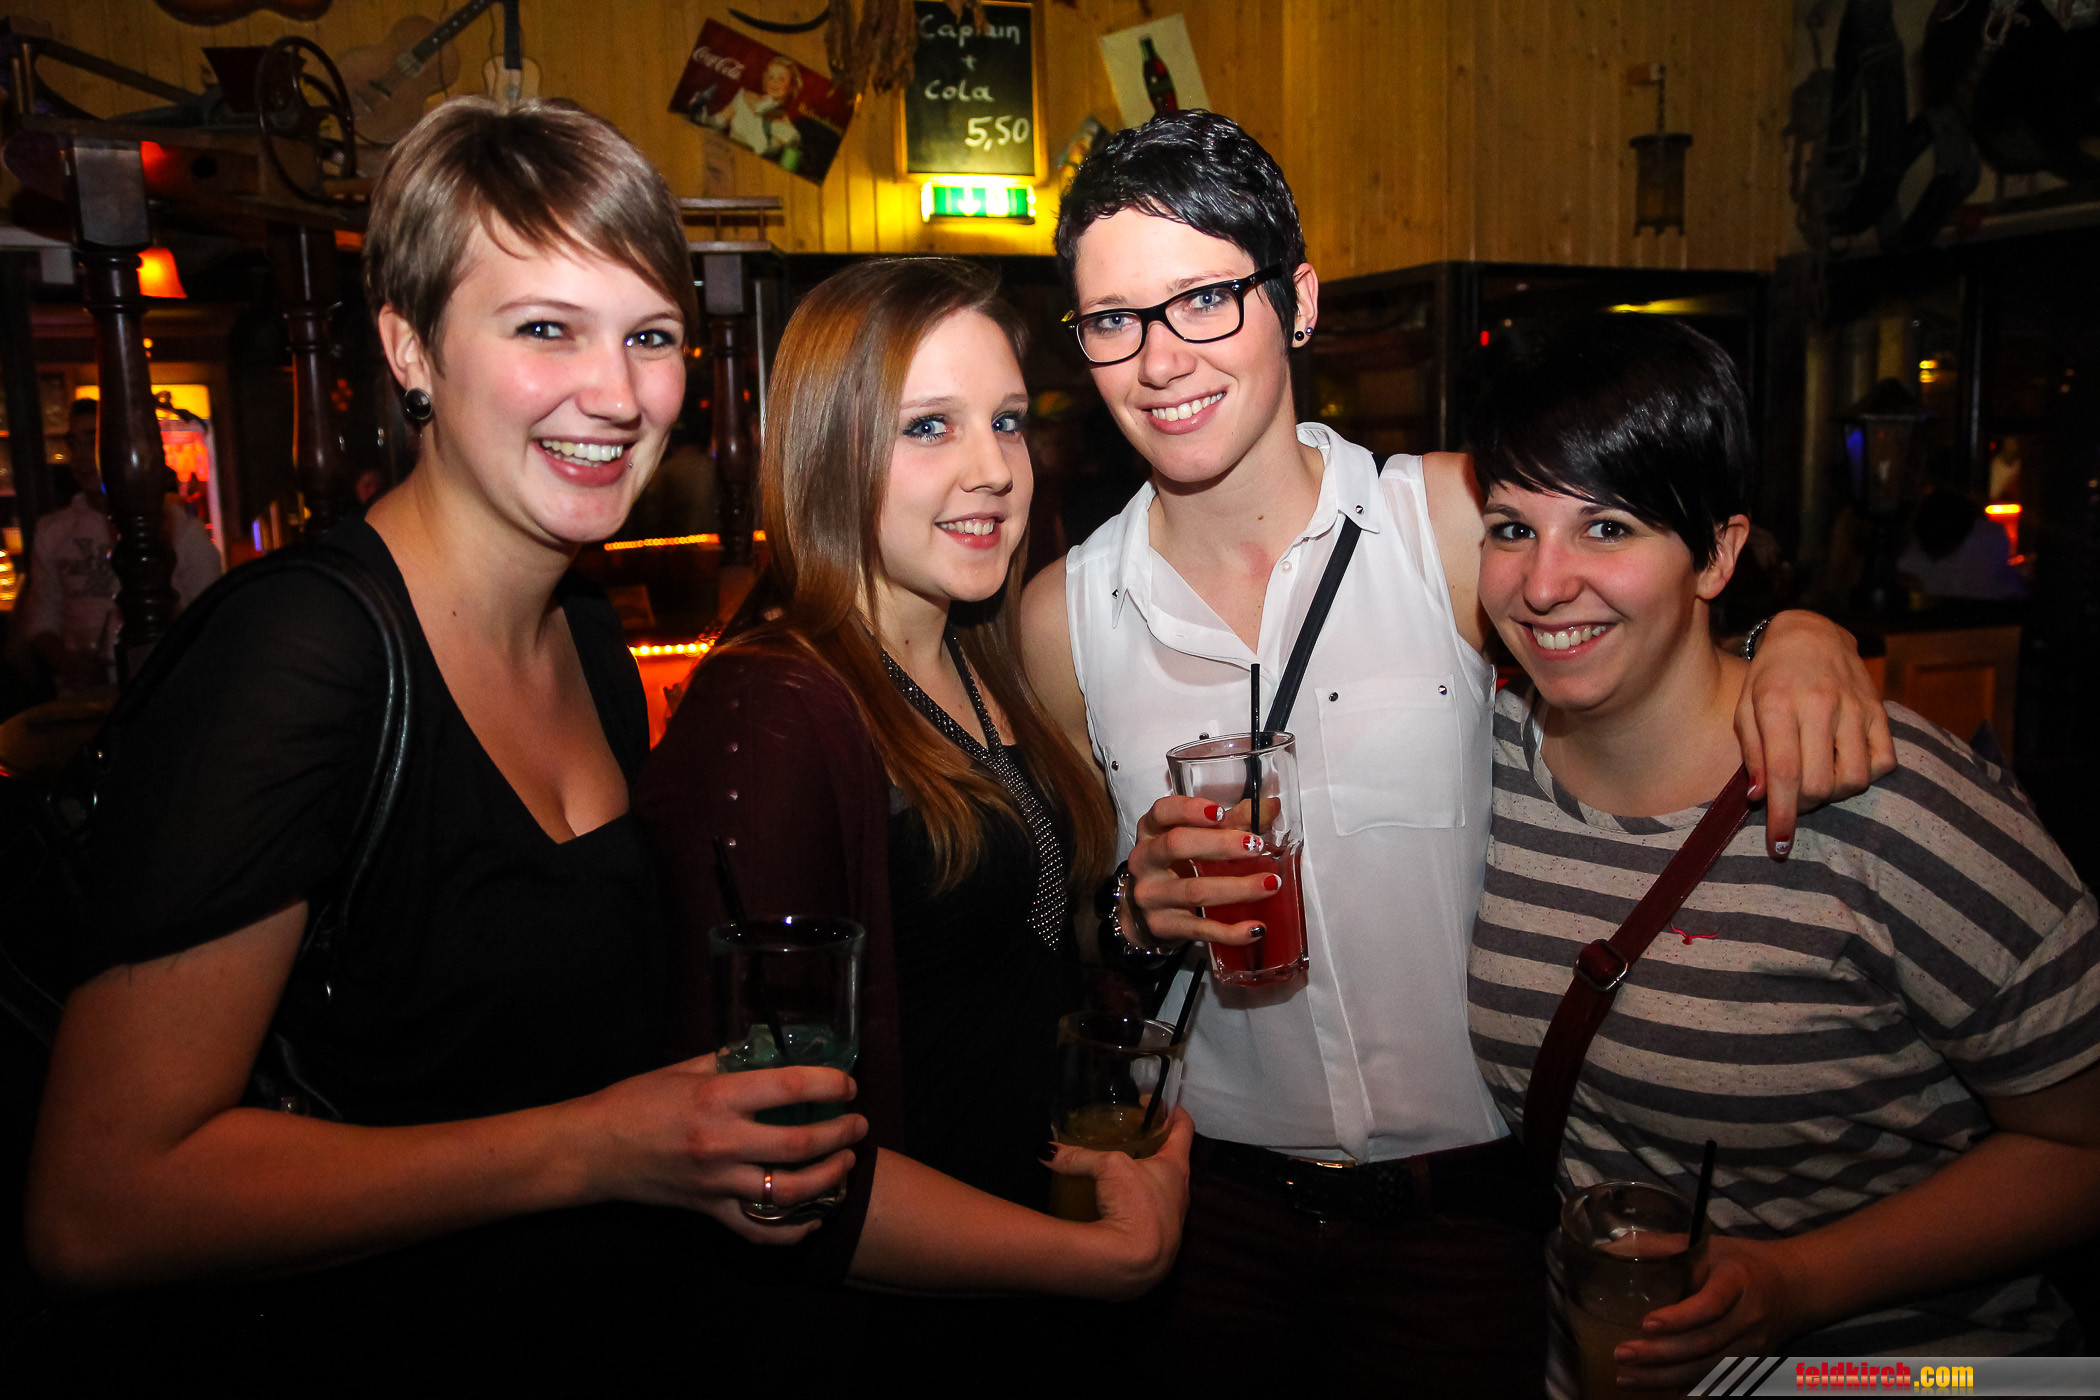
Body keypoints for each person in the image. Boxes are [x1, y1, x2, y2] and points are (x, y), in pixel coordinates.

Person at [1016, 110, 1897, 1392]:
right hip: (1210, 1218)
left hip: (1466, 1218)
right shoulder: (1064, 619)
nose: (1160, 359)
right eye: (1114, 319)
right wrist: (1131, 910)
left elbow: (1642, 603)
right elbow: (1076, 925)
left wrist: (1798, 633)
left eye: (1204, 298)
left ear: (1297, 302)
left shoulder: (1440, 515)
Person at [24, 98, 865, 1382]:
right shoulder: (300, 656)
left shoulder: (586, 636)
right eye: (545, 328)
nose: (616, 393)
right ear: (409, 347)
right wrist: (596, 1148)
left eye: (648, 335)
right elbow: (99, 1205)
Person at [1465, 314, 2100, 1391]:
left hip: (1905, 1373)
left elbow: (2082, 1145)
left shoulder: (1880, 793)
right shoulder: (1475, 766)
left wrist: (1798, 1281)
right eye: (1511, 528)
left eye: (1609, 527)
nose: (1544, 583)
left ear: (1717, 553)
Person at [636, 257, 1192, 1379]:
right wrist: (1097, 1261)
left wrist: (1131, 917)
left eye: (1007, 421)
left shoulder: (978, 656)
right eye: (929, 426)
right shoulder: (775, 708)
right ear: (828, 450)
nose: (993, 469)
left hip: (1016, 1290)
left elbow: (997, 956)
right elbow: (781, 1162)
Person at [22, 398, 221, 694]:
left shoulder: (181, 530)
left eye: (92, 442)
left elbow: (213, 619)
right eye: (74, 444)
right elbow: (41, 620)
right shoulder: (53, 531)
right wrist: (67, 662)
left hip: (162, 692)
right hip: (84, 697)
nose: (81, 457)